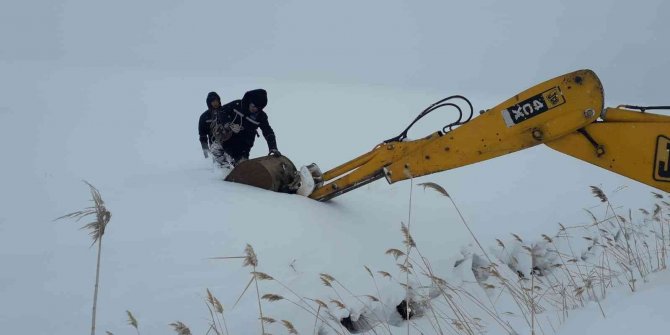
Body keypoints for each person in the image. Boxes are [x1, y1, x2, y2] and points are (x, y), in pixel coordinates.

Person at [210, 89, 280, 169]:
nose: (255, 109)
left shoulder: (261, 116)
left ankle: (233, 174)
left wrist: (273, 147)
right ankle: (223, 171)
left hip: (243, 145)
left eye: (259, 108)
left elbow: (268, 132)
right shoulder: (237, 105)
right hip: (227, 138)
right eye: (254, 106)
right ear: (250, 101)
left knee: (242, 166)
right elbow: (222, 111)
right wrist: (228, 124)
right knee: (215, 150)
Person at [198, 92, 222, 159]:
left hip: (230, 143)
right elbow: (203, 137)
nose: (215, 103)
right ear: (209, 103)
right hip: (215, 145)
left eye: (216, 100)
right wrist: (206, 154)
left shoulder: (226, 111)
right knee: (220, 165)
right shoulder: (204, 117)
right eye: (213, 101)